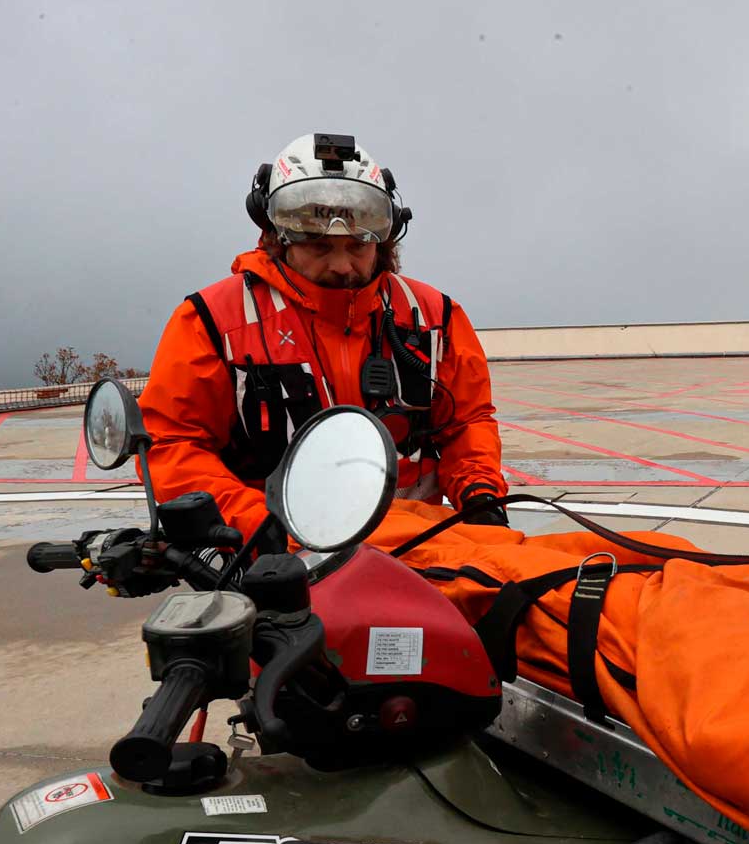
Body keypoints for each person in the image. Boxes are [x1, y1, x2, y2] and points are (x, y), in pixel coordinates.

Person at [140, 132, 507, 541]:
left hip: (418, 547)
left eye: (358, 246)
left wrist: (479, 494)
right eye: (318, 246)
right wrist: (254, 523)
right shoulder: (212, 320)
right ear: (277, 236)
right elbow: (171, 445)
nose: (342, 265)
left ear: (385, 239)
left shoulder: (434, 316)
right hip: (272, 558)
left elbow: (467, 424)